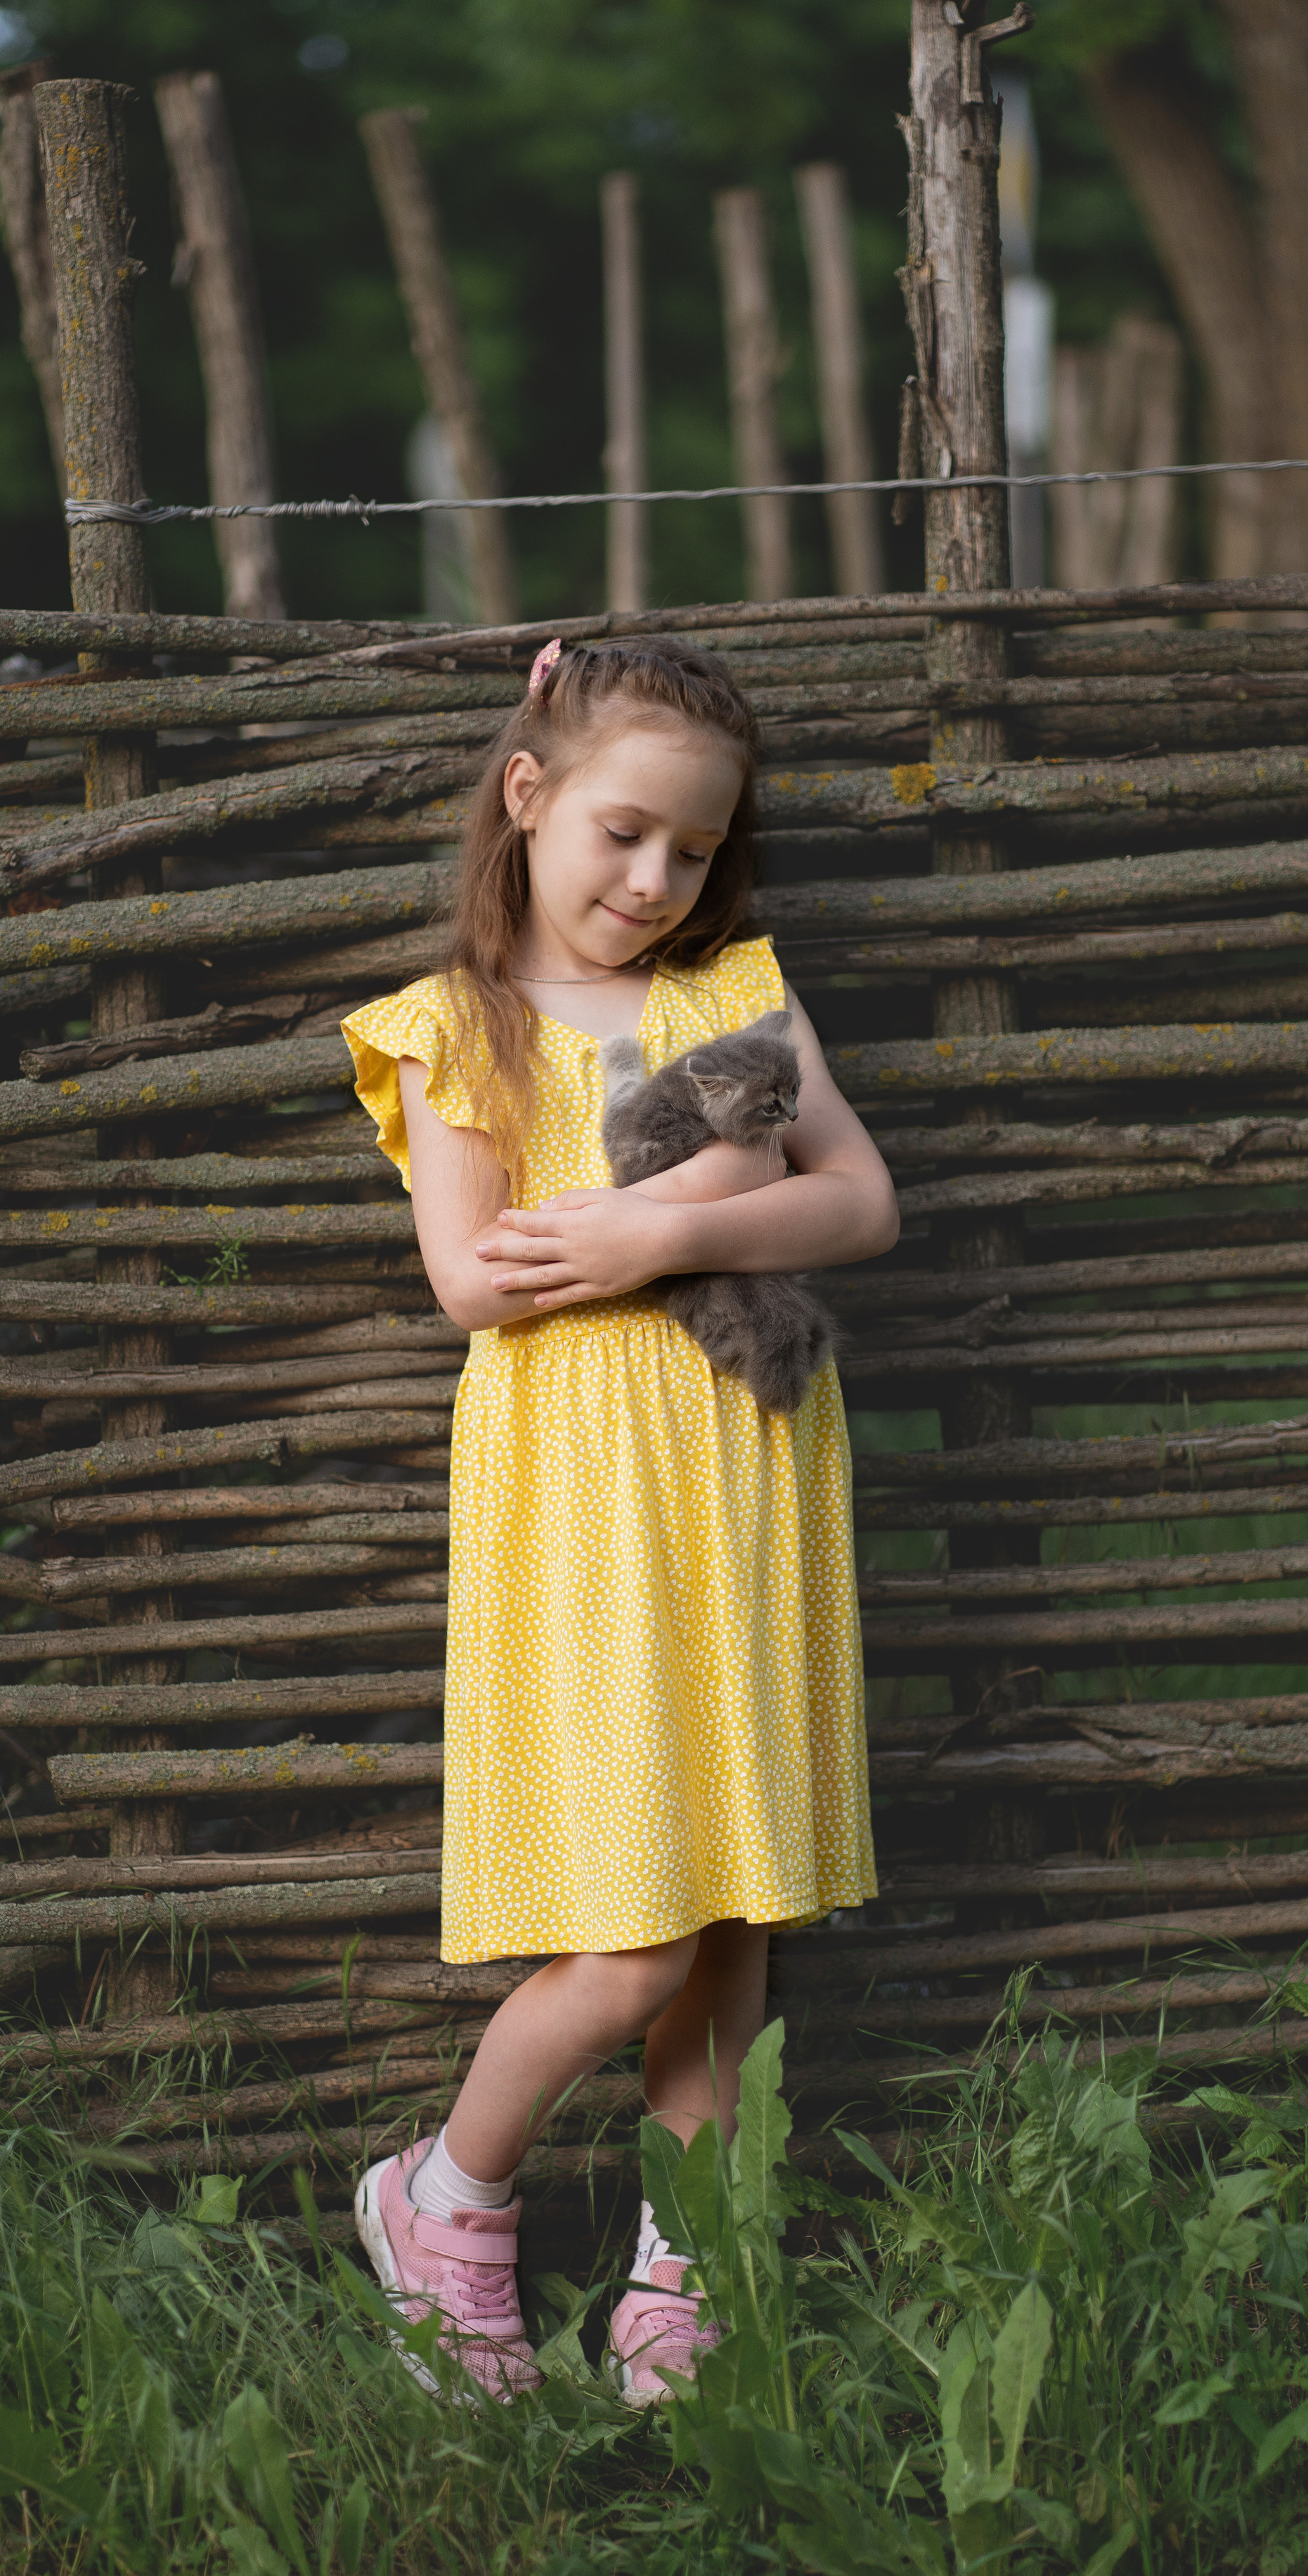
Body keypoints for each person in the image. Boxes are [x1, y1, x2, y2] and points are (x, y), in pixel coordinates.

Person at [339, 632, 898, 2406]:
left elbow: (861, 1202)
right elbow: (475, 1276)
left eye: (690, 852)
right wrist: (716, 1181)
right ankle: (443, 2197)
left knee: (733, 1907)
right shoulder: (463, 1027)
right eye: (622, 837)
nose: (653, 884)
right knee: (636, 1924)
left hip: (746, 1476)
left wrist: (660, 1230)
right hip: (583, 1502)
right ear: (528, 797)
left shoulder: (730, 982)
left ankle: (689, 2255)